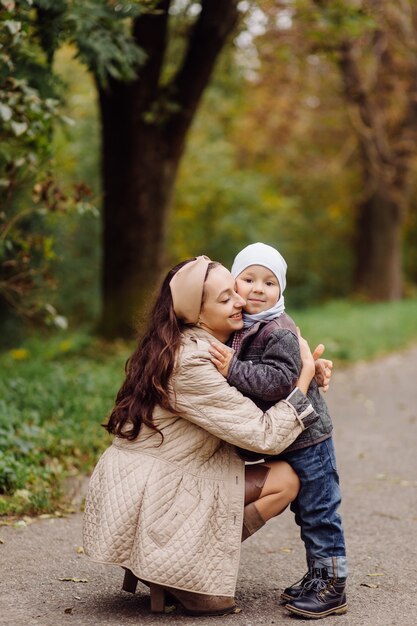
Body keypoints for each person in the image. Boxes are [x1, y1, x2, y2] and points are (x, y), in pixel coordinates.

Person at [83, 256, 321, 617]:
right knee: (285, 480)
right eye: (225, 299)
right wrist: (303, 379)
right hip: (155, 491)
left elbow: (258, 378)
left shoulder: (202, 343)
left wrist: (306, 374)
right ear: (195, 313)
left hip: (159, 478)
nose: (241, 301)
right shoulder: (191, 361)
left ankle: (169, 562)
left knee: (283, 474)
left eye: (234, 292)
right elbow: (263, 435)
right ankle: (176, 571)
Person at [208, 242, 348, 619]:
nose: (257, 288)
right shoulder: (243, 327)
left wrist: (233, 370)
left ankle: (333, 582)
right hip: (288, 435)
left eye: (269, 283)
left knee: (319, 509)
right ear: (233, 282)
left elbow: (280, 382)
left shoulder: (278, 330)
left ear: (281, 292)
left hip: (308, 437)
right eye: (248, 278)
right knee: (305, 511)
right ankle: (316, 576)